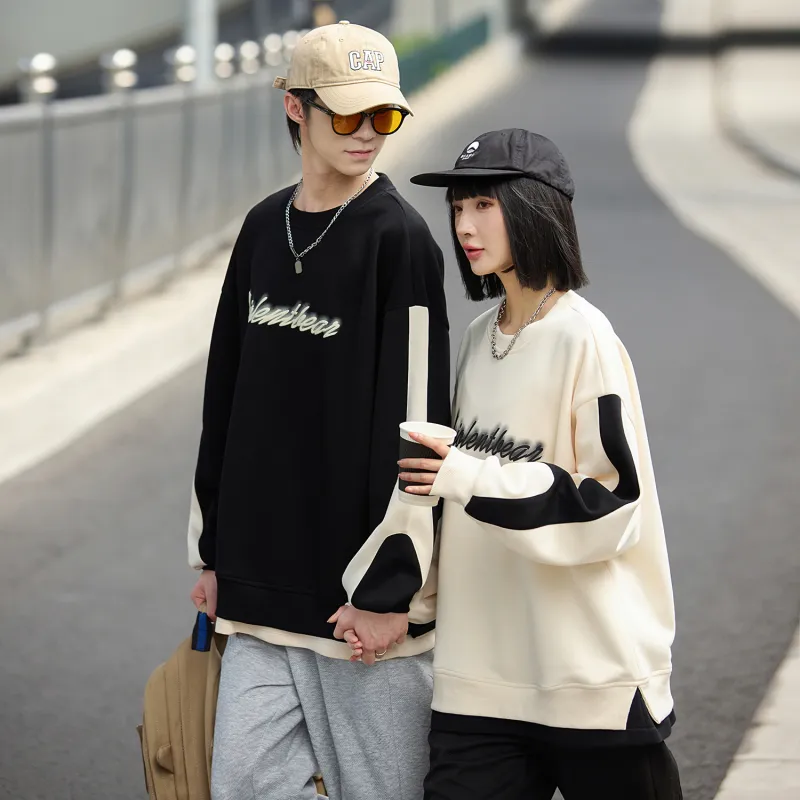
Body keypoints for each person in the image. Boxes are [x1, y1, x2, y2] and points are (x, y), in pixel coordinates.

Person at [187, 21, 450, 800]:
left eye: (385, 115)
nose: (369, 133)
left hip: (358, 610)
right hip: (259, 593)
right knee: (243, 785)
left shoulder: (400, 241)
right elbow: (226, 398)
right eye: (349, 114)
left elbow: (420, 421)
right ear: (296, 108)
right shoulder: (262, 229)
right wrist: (212, 555)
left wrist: (389, 591)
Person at [392, 129, 683, 799]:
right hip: (478, 686)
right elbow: (450, 507)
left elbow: (611, 506)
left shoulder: (585, 338)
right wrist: (406, 604)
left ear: (533, 208)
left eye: (483, 205)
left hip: (589, 683)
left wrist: (467, 474)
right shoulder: (478, 338)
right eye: (457, 208)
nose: (464, 226)